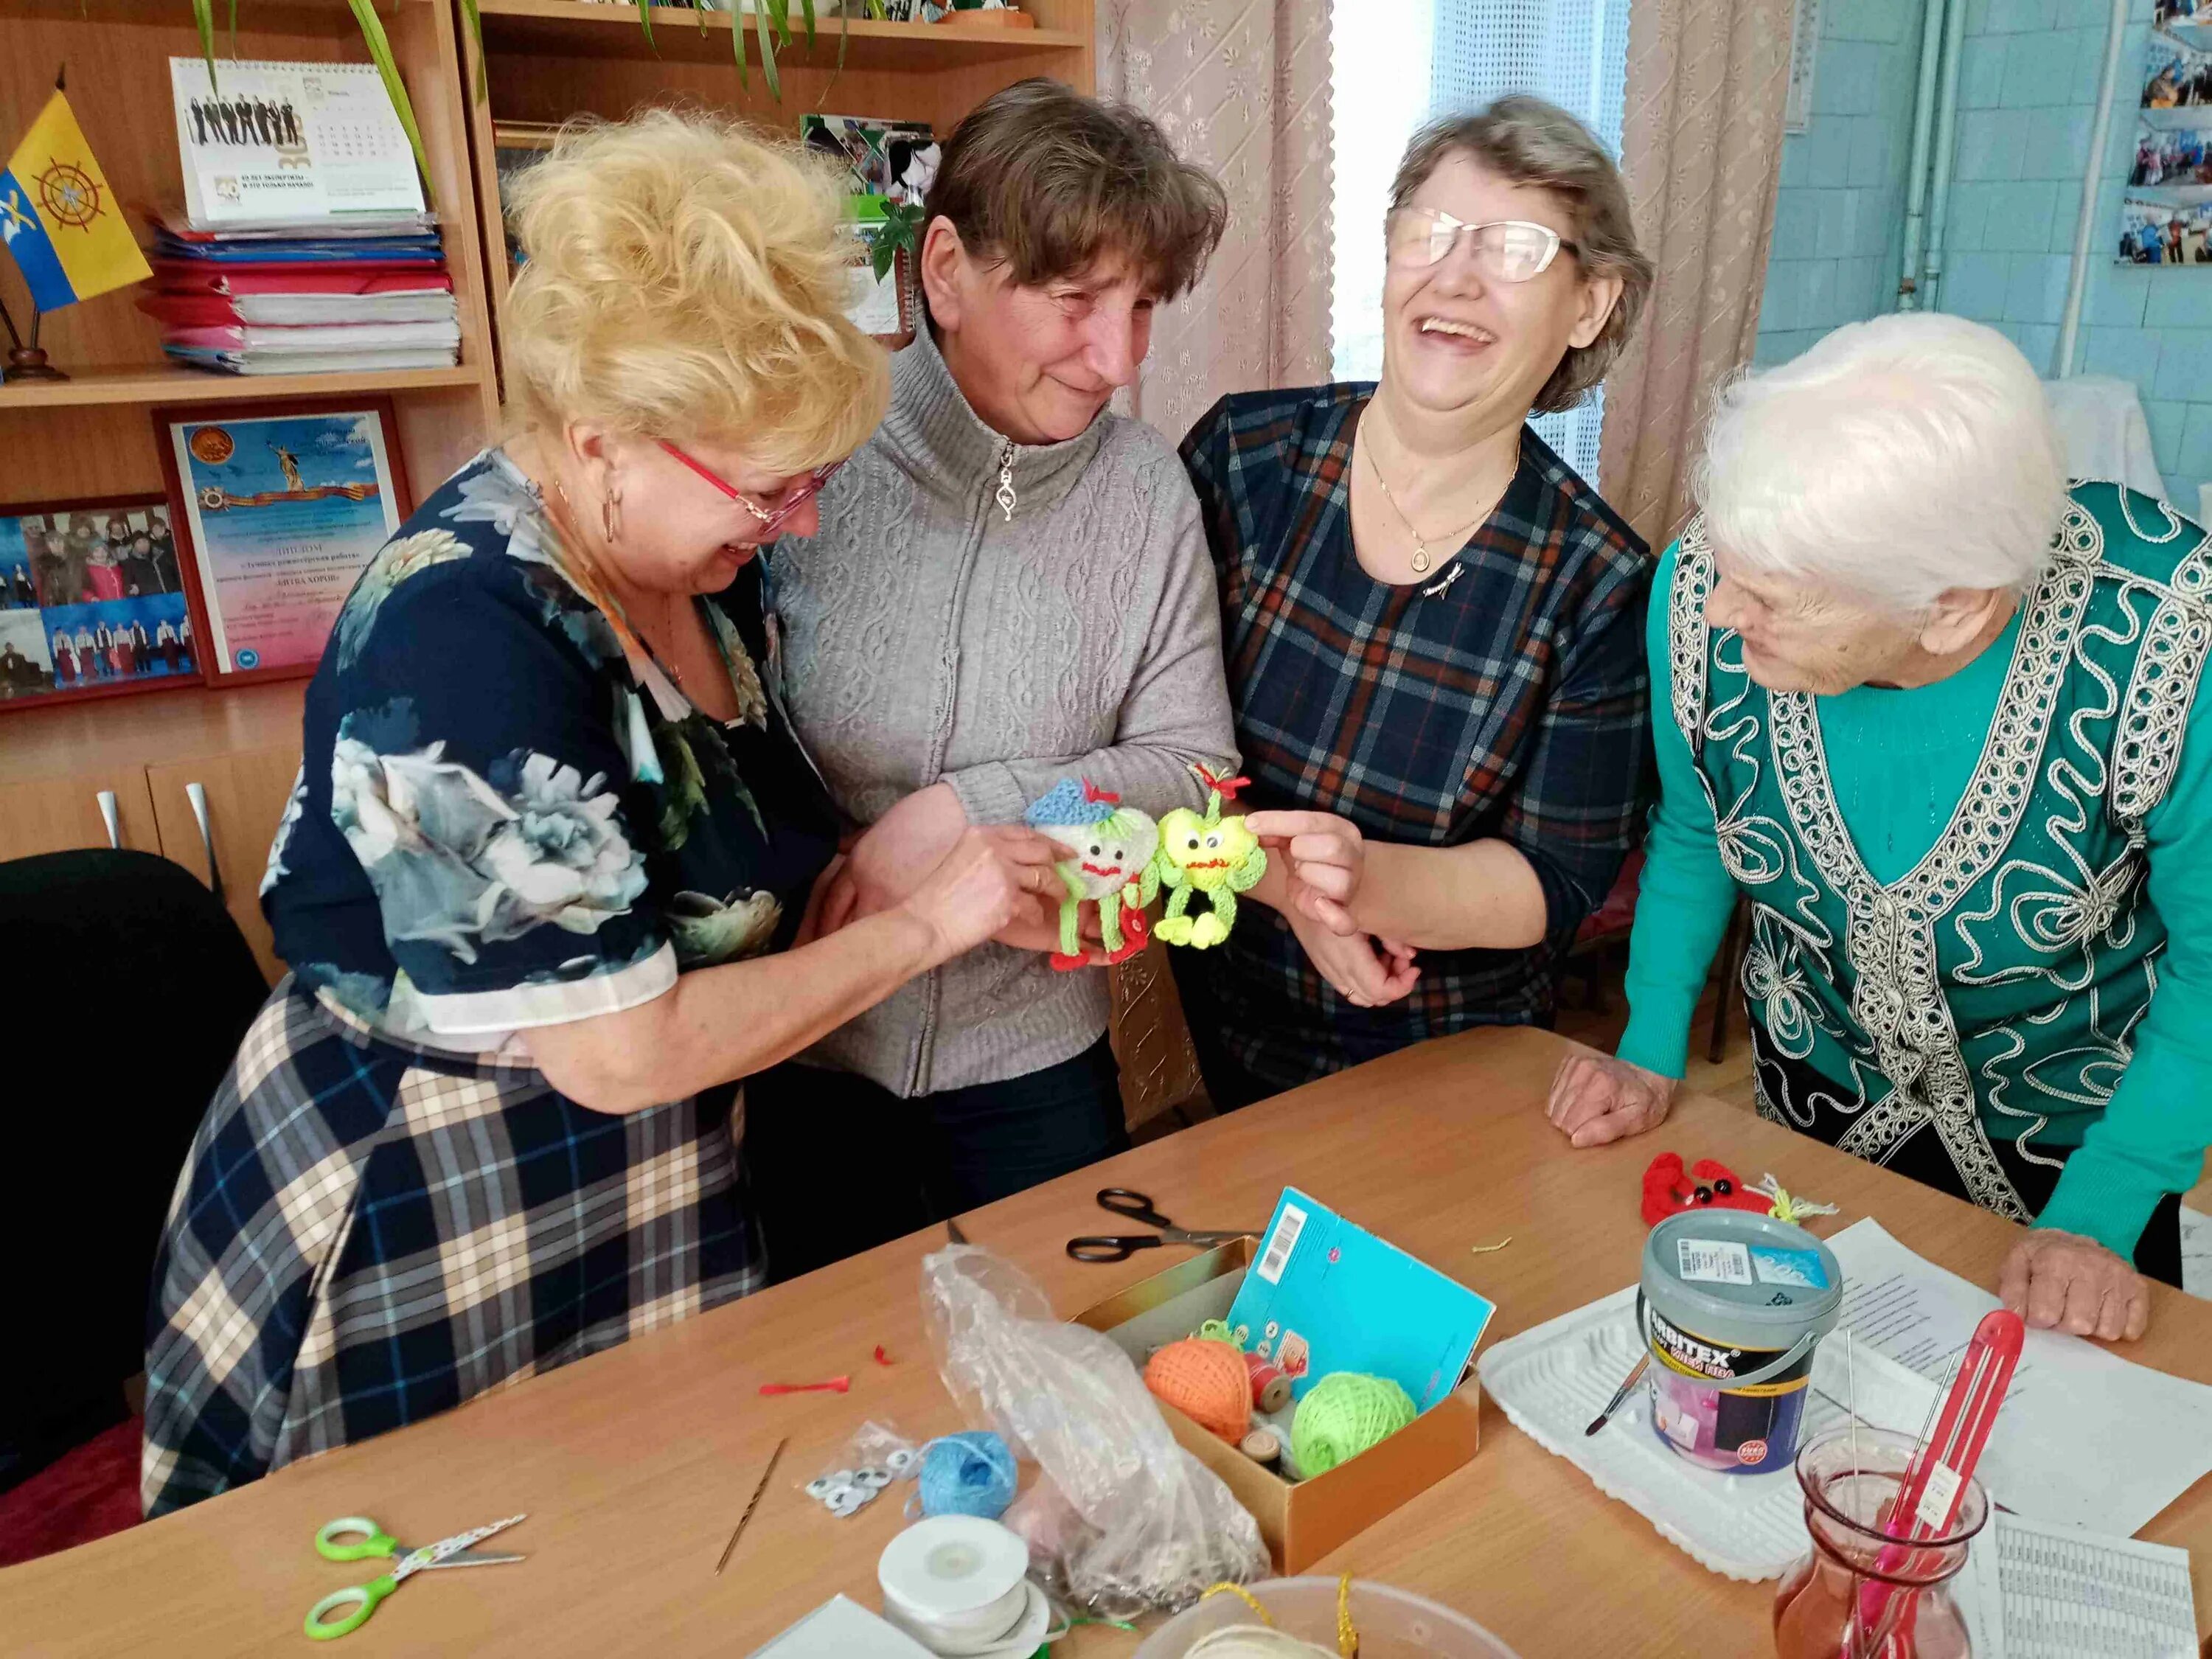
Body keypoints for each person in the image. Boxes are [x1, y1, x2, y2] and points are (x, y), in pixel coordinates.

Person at [142, 111, 1071, 1517]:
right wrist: (928, 929)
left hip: (638, 1180)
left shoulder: (675, 570)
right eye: (772, 489)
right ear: (603, 441)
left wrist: (900, 854)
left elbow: (717, 859)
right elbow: (621, 1051)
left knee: (641, 1544)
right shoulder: (467, 632)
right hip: (426, 1195)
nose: (803, 524)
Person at [1546, 313, 2212, 1344]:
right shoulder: (1704, 588)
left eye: (1769, 599)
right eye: (1724, 567)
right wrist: (1647, 1050)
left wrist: (2101, 1212)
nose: (1720, 611)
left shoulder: (2168, 638)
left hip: (2087, 1146)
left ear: (1950, 607)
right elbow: (1695, 827)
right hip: (1813, 1112)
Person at [749, 79, 1238, 1279]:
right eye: (1075, 301)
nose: (1117, 360)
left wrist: (974, 809)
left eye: (1142, 307)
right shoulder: (812, 459)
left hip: (1038, 1065)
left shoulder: (1144, 496)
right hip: (808, 1053)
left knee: (1065, 1393)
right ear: (948, 268)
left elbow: (1194, 777)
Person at [1172, 97, 1655, 1109]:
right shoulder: (1243, 461)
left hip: (1451, 1075)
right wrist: (1279, 883)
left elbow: (1554, 880)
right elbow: (1140, 743)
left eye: (1516, 248)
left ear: (1589, 305)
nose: (1455, 276)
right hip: (1222, 1034)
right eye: (1428, 233)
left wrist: (1357, 882)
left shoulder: (1597, 579)